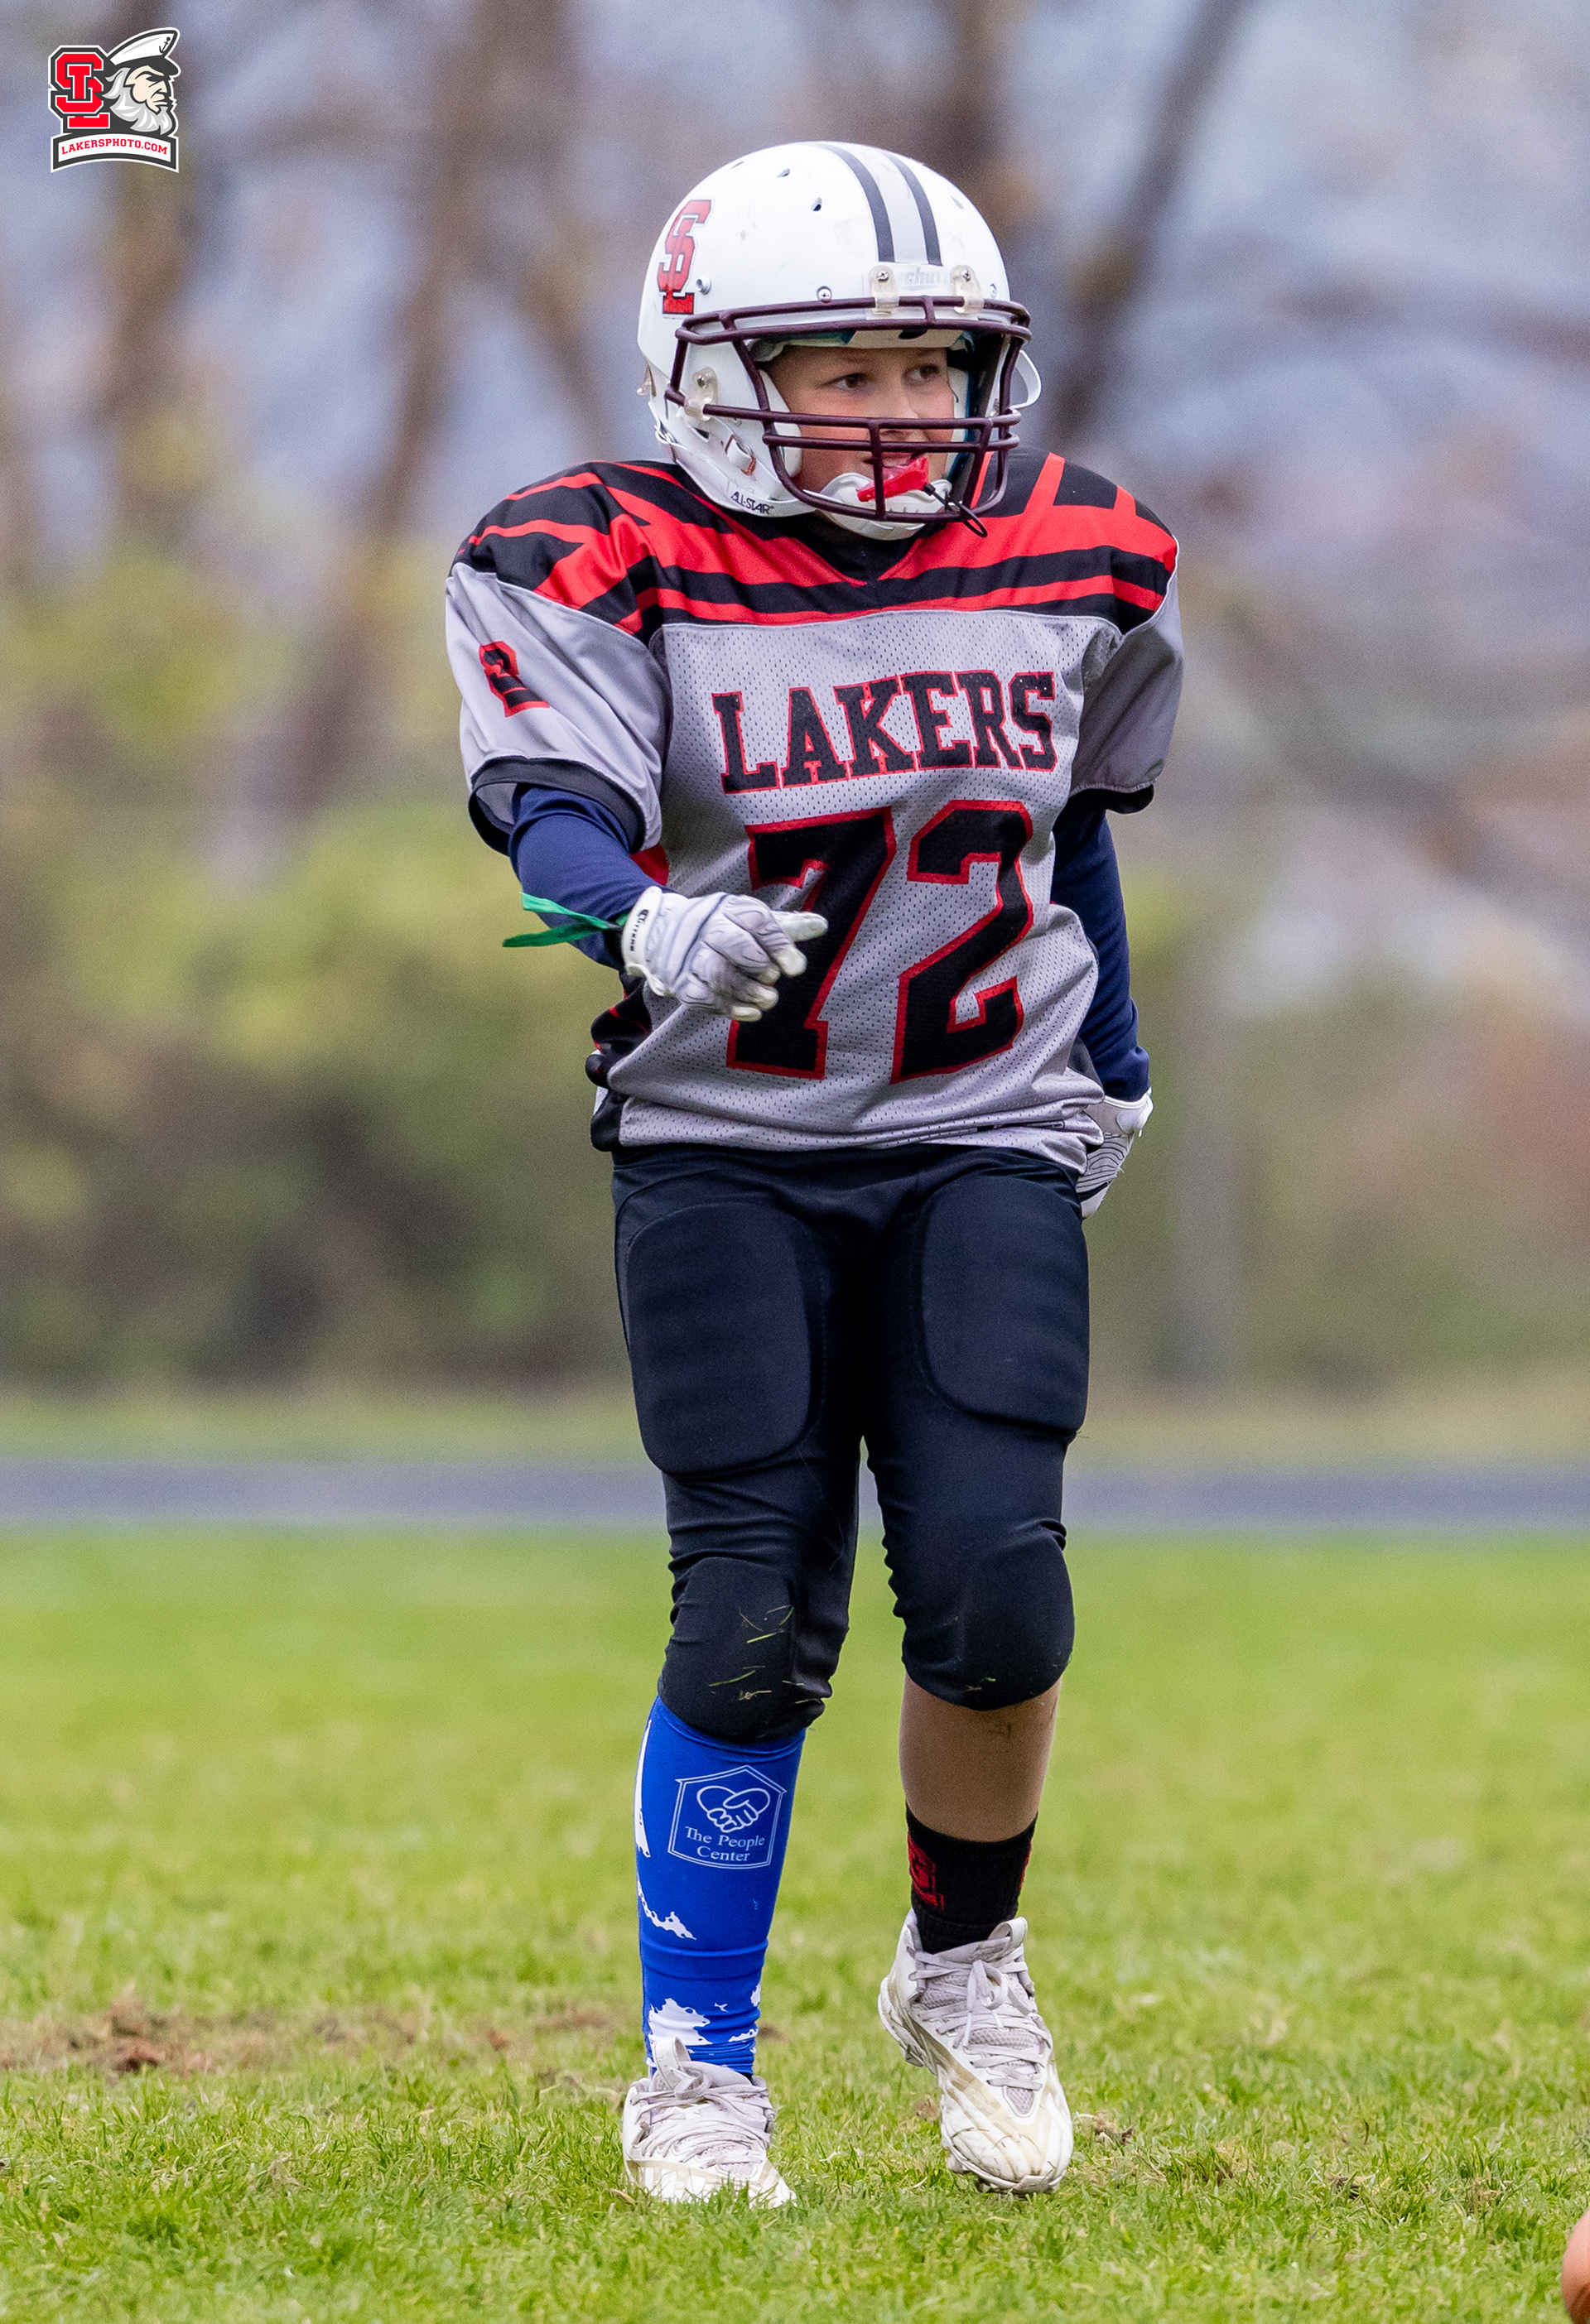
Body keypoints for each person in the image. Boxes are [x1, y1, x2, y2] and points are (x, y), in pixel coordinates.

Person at [446, 141, 1180, 2206]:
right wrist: (639, 914)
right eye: (844, 370)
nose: (901, 412)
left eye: (931, 367)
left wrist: (1116, 1061)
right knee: (754, 1613)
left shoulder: (1079, 550)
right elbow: (547, 804)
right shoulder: (597, 556)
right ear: (709, 372)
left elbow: (1067, 827)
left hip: (981, 1121)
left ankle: (966, 1965)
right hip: (727, 1146)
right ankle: (697, 2069)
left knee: (1000, 1598)